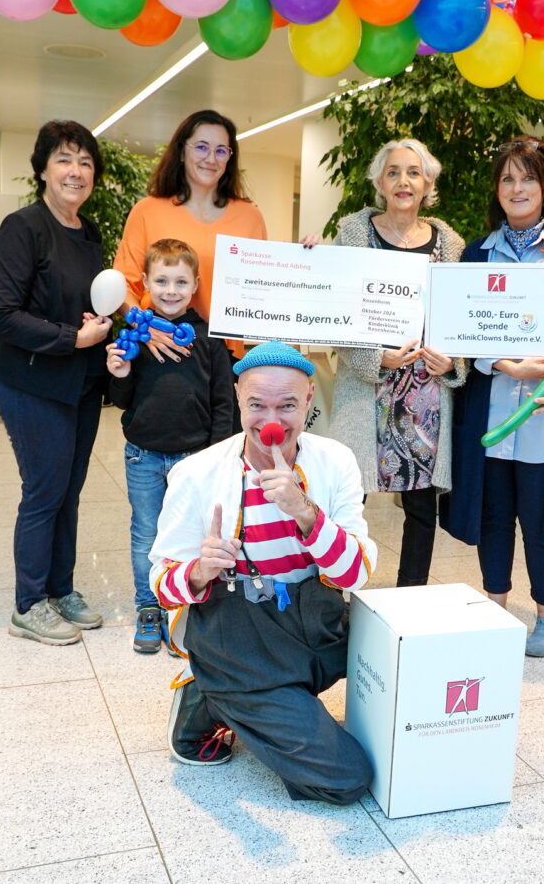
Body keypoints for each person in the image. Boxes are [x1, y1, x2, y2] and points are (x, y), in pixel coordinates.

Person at [148, 341, 377, 805]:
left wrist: (306, 513)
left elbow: (355, 574)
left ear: (309, 399)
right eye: (257, 404)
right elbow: (161, 585)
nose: (271, 419)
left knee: (394, 654)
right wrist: (197, 571)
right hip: (240, 641)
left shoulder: (335, 463)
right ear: (237, 398)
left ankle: (258, 699)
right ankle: (210, 694)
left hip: (315, 622)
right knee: (345, 779)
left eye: (287, 405)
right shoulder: (197, 474)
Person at [440, 136, 544, 657]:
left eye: (527, 177)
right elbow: (463, 330)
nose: (517, 188)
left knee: (542, 517)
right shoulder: (477, 252)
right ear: (498, 188)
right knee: (494, 513)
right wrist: (505, 364)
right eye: (507, 178)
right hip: (491, 407)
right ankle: (495, 607)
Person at [0, 120, 112, 645]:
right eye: (64, 159)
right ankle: (29, 602)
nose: (75, 171)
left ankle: (61, 588)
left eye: (85, 162)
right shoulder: (23, 228)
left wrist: (106, 341)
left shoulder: (89, 234)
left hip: (79, 383)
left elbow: (92, 309)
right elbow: (1, 314)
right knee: (43, 491)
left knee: (70, 492)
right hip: (31, 381)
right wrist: (71, 339)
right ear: (42, 169)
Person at [329, 139, 467, 587]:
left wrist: (453, 363)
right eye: (393, 172)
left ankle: (411, 599)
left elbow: (460, 319)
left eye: (413, 172)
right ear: (379, 182)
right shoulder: (353, 233)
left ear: (428, 182)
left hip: (425, 395)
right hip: (367, 389)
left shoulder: (449, 242)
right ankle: (340, 596)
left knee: (421, 509)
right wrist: (376, 357)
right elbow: (336, 317)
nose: (403, 181)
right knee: (350, 500)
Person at [106, 238, 234, 655]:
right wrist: (120, 372)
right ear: (144, 281)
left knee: (191, 533)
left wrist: (216, 455)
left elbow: (222, 403)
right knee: (145, 532)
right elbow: (121, 398)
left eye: (181, 281)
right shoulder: (137, 334)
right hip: (143, 453)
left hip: (194, 457)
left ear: (195, 284)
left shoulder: (211, 340)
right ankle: (148, 607)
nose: (171, 290)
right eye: (161, 280)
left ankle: (183, 606)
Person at [113, 109, 267, 367]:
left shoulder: (249, 217)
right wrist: (147, 328)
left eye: (221, 150)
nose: (211, 158)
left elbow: (262, 288)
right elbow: (123, 287)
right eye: (202, 147)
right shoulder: (147, 211)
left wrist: (304, 258)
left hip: (225, 360)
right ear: (182, 151)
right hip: (162, 350)